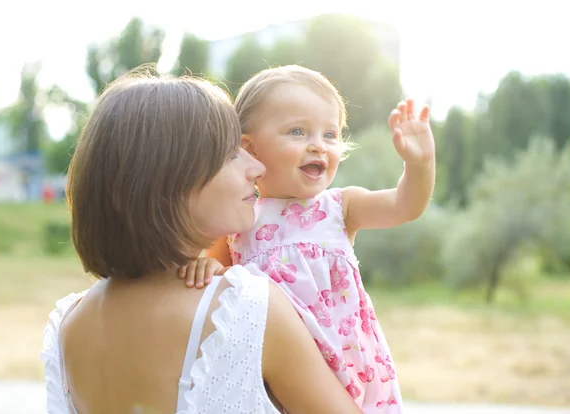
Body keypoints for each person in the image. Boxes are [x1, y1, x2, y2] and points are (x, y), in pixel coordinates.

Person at [40, 68, 362, 414]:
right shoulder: (244, 308)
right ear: (169, 178)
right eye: (231, 154)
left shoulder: (68, 325)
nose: (257, 168)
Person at [185, 65, 436, 413]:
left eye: (330, 135)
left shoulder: (340, 207)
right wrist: (205, 267)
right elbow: (215, 273)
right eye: (298, 132)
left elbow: (404, 205)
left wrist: (419, 165)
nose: (318, 146)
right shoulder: (238, 220)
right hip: (275, 376)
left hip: (349, 374)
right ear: (250, 147)